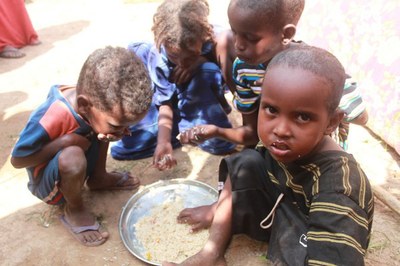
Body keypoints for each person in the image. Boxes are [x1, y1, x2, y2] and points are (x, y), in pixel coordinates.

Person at [164, 45, 374, 266]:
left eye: (302, 117)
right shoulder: (280, 143)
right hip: (284, 206)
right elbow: (244, 173)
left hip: (310, 230)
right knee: (245, 162)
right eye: (272, 110)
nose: (281, 129)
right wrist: (218, 210)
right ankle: (212, 254)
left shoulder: (339, 189)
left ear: (331, 122)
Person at [179, 0, 368, 152]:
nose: (238, 45)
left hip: (320, 159)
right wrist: (217, 132)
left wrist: (329, 106)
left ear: (286, 34)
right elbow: (253, 133)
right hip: (281, 157)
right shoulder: (245, 69)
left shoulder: (320, 73)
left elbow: (361, 117)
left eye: (251, 38)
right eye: (235, 33)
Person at [10, 46, 153, 246]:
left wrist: (115, 129)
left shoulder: (95, 103)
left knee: (102, 131)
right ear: (84, 105)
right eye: (117, 125)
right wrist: (65, 141)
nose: (123, 132)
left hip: (79, 159)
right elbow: (18, 160)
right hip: (49, 185)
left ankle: (98, 178)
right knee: (73, 155)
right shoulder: (52, 116)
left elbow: (104, 125)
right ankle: (73, 209)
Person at [110, 0, 236, 170]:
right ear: (164, 45)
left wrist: (201, 61)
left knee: (208, 72)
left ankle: (189, 121)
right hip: (168, 100)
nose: (182, 64)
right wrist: (164, 142)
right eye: (175, 57)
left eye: (191, 56)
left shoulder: (216, 38)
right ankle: (182, 123)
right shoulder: (159, 58)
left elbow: (231, 79)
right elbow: (164, 104)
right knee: (133, 144)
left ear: (203, 37)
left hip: (197, 93)